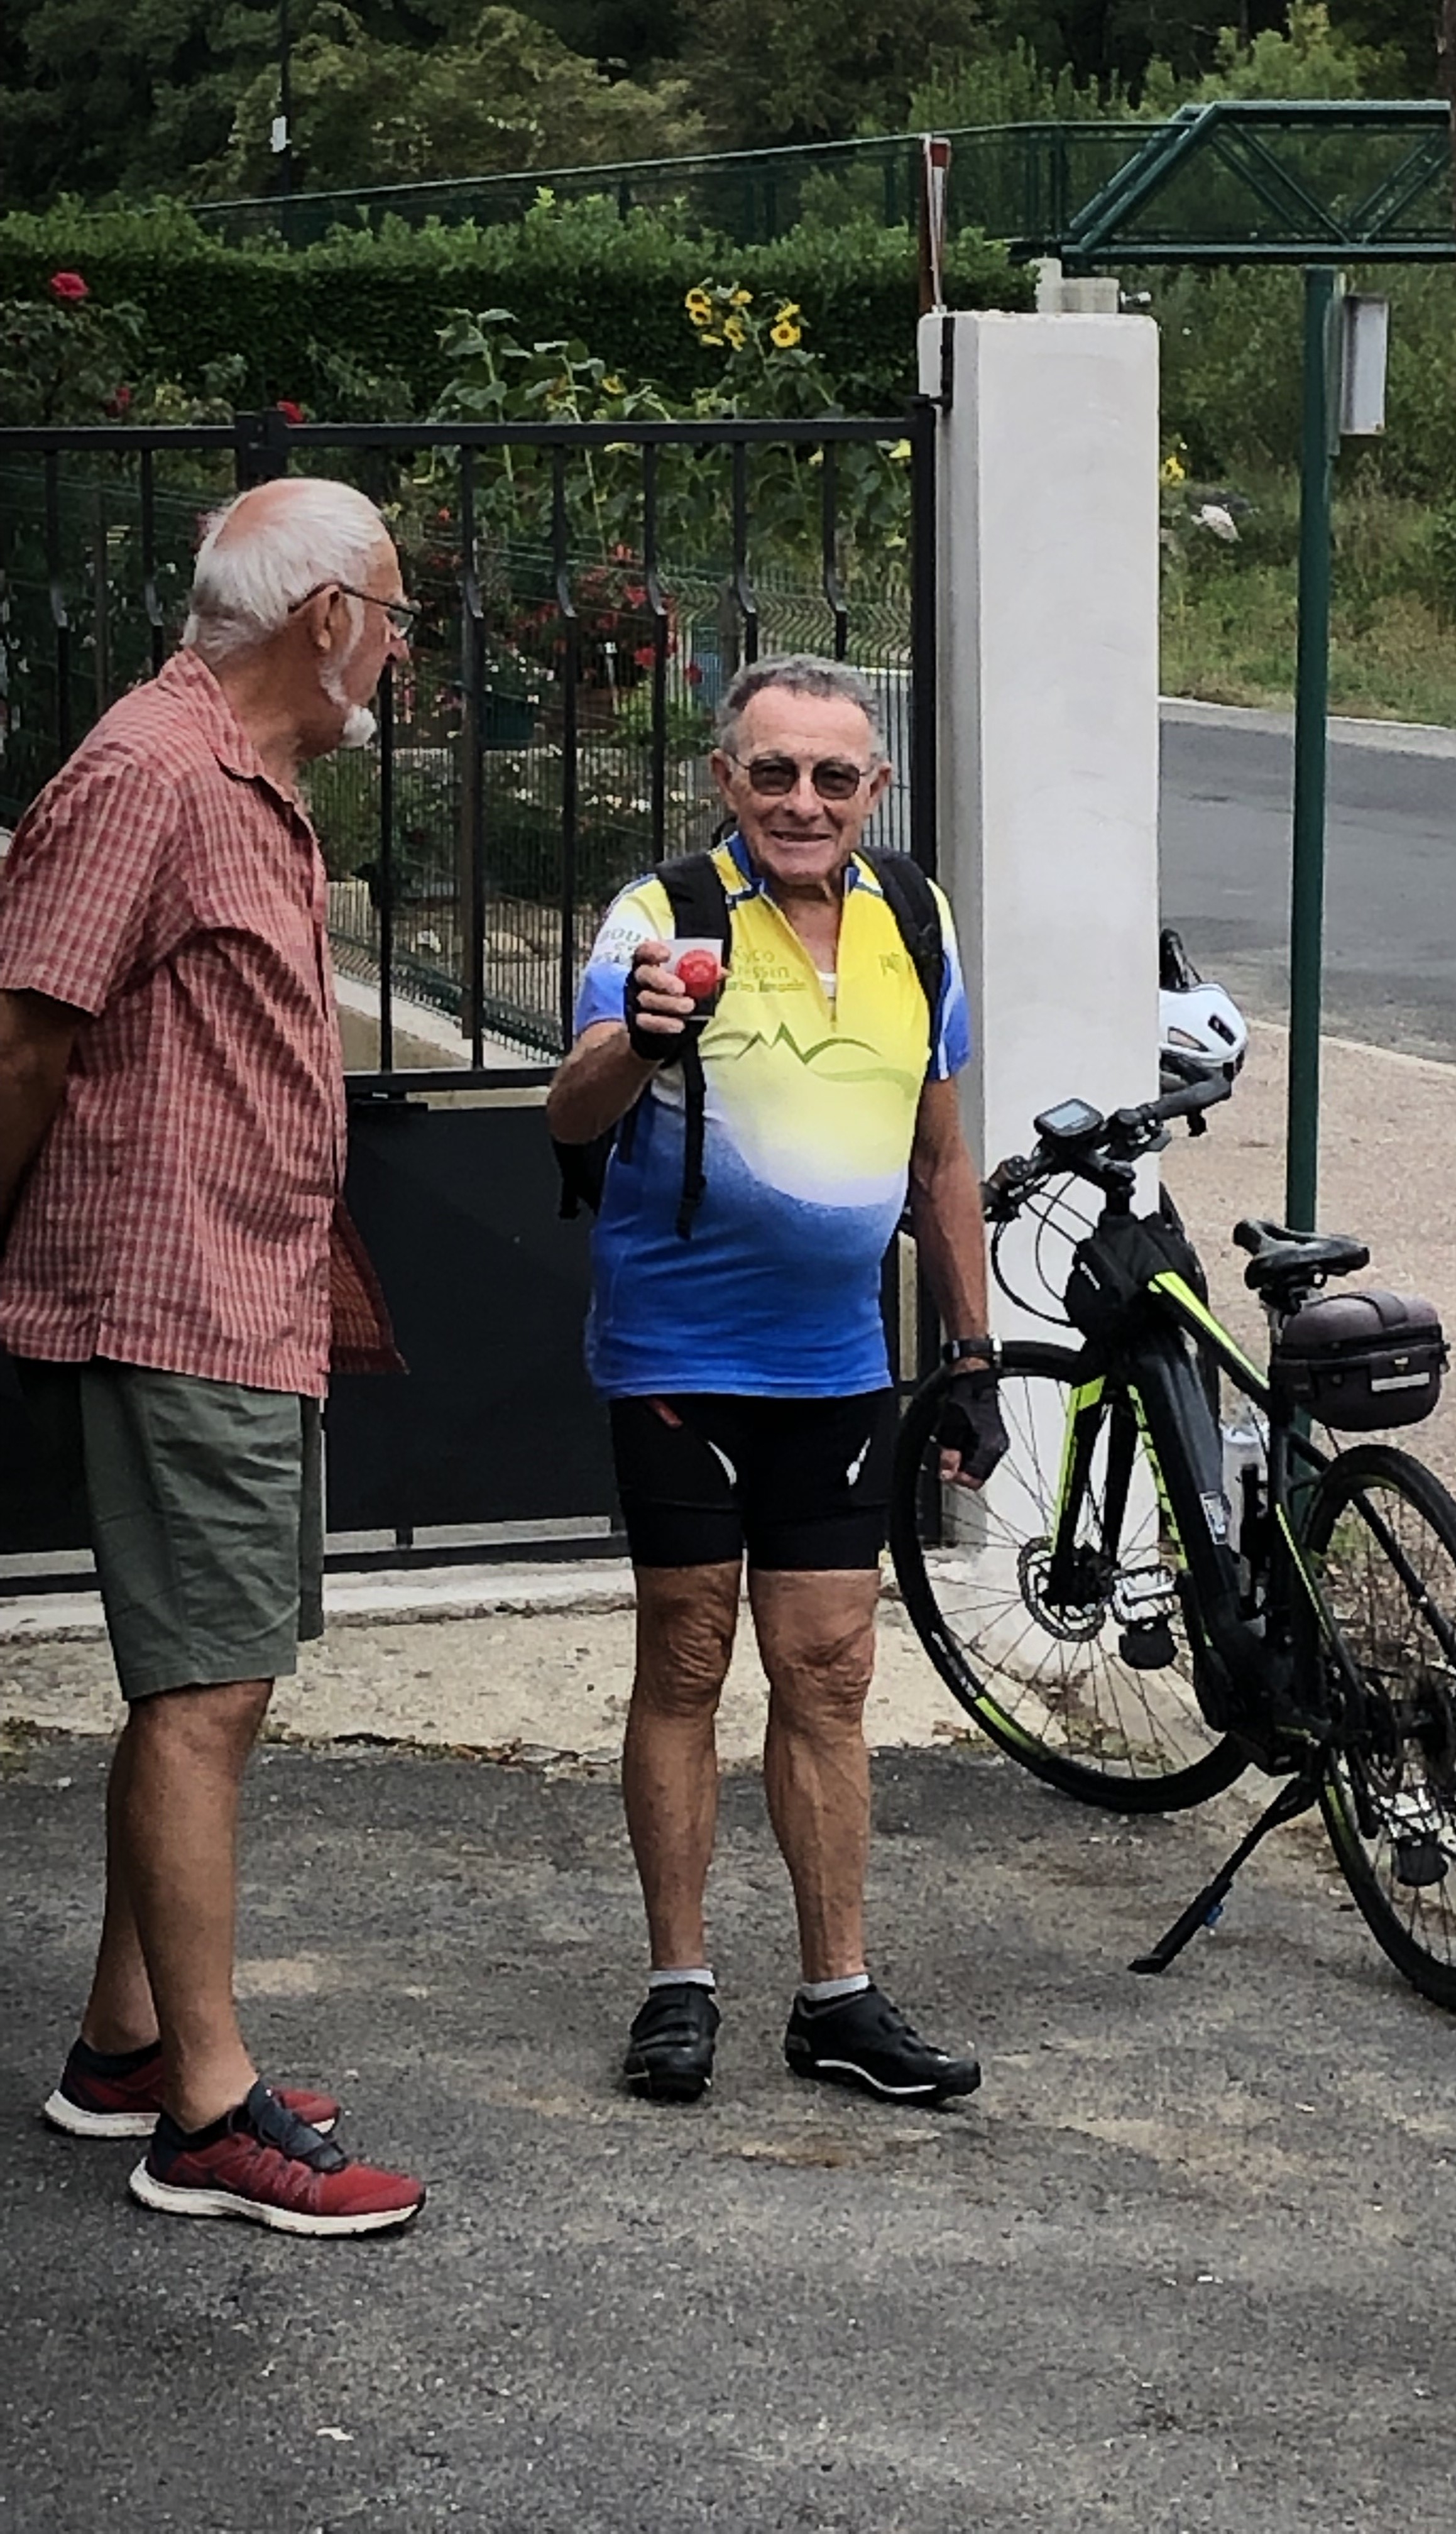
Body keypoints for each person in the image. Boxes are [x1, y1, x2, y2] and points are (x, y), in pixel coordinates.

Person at [0, 477, 425, 2237]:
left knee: (201, 1681)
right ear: (324, 615)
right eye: (394, 614)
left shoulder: (240, 779)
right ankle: (210, 2112)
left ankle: (124, 2047)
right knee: (209, 1694)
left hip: (240, 1290)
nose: (399, 649)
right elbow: (24, 1035)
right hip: (171, 1296)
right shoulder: (156, 773)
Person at [545, 654, 1004, 2110]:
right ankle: (679, 1983)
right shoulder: (662, 917)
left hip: (838, 1367)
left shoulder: (915, 920)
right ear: (724, 780)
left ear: (872, 789)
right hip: (683, 1357)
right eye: (773, 772)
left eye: (833, 776)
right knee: (687, 1656)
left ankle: (837, 1995)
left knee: (829, 1671)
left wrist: (975, 1349)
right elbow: (570, 1113)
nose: (803, 801)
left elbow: (941, 1157)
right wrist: (635, 1038)